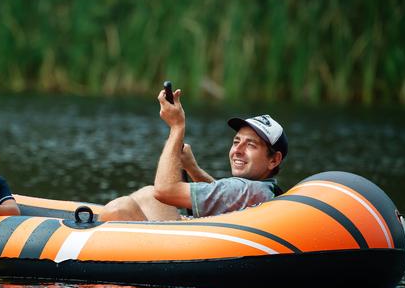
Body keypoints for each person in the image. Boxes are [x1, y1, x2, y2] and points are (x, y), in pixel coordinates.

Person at [100, 88, 288, 221]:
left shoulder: (246, 189)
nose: (238, 150)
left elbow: (165, 190)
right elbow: (221, 196)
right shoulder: (261, 190)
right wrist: (192, 168)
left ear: (274, 160)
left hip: (179, 259)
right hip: (199, 247)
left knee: (121, 208)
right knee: (148, 195)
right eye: (236, 142)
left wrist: (176, 127)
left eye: (251, 145)